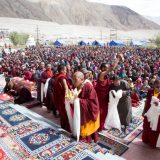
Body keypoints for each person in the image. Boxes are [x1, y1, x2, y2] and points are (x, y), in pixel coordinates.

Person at [72, 71, 100, 143]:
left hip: (89, 111)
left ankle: (87, 137)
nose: (73, 81)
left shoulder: (88, 86)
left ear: (82, 79)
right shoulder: (75, 86)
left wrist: (78, 100)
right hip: (81, 110)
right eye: (73, 79)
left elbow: (92, 102)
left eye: (75, 79)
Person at [142, 79, 160, 148]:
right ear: (154, 86)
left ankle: (153, 142)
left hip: (157, 115)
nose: (159, 88)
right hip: (148, 112)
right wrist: (144, 111)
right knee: (146, 126)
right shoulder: (150, 91)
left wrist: (158, 104)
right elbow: (146, 101)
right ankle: (146, 139)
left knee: (154, 129)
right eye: (157, 86)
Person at [95, 63, 112, 130]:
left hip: (105, 96)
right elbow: (111, 69)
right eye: (106, 67)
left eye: (107, 67)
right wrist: (118, 58)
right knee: (101, 112)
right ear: (102, 68)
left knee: (105, 112)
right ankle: (98, 127)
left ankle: (101, 125)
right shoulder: (101, 74)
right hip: (100, 97)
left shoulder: (106, 76)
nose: (107, 69)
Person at [54, 64, 70, 132]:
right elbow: (66, 87)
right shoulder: (62, 77)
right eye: (65, 70)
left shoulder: (58, 76)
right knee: (65, 112)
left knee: (62, 112)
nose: (66, 71)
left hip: (59, 97)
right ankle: (67, 128)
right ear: (62, 70)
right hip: (63, 98)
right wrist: (68, 96)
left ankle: (63, 126)